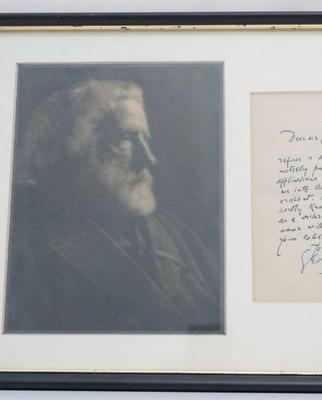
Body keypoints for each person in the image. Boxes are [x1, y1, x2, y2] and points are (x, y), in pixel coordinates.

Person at [5, 79, 223, 333]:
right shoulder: (23, 249)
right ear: (71, 151)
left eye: (145, 140)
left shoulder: (178, 235)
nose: (148, 159)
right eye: (125, 139)